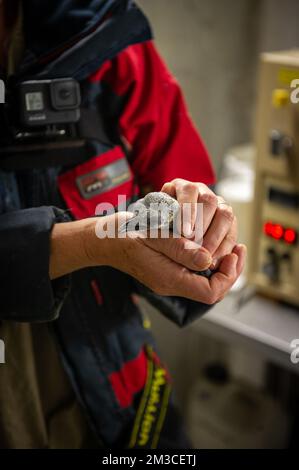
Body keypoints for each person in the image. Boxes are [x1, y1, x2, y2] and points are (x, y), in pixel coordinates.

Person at [0, 0, 246, 449]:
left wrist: (199, 222)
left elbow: (187, 184)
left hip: (120, 398)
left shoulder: (107, 34)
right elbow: (110, 237)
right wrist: (97, 241)